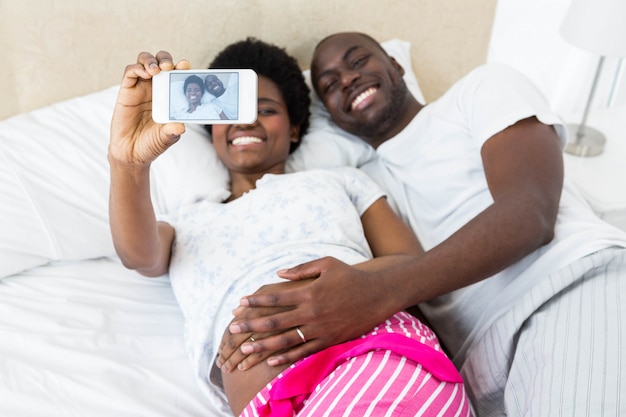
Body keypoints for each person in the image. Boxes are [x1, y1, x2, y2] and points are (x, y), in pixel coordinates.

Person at [221, 32, 626, 417]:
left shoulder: (479, 90)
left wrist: (375, 292)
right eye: (329, 85)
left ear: (396, 64)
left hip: (559, 289)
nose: (347, 80)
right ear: (332, 118)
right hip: (472, 369)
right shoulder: (356, 186)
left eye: (358, 60)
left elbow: (530, 212)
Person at [108, 38, 473, 416]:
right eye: (230, 111)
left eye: (265, 109)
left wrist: (312, 294)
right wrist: (127, 164)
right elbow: (138, 255)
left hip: (377, 354)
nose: (246, 121)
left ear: (295, 129)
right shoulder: (186, 221)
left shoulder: (340, 181)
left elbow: (410, 265)